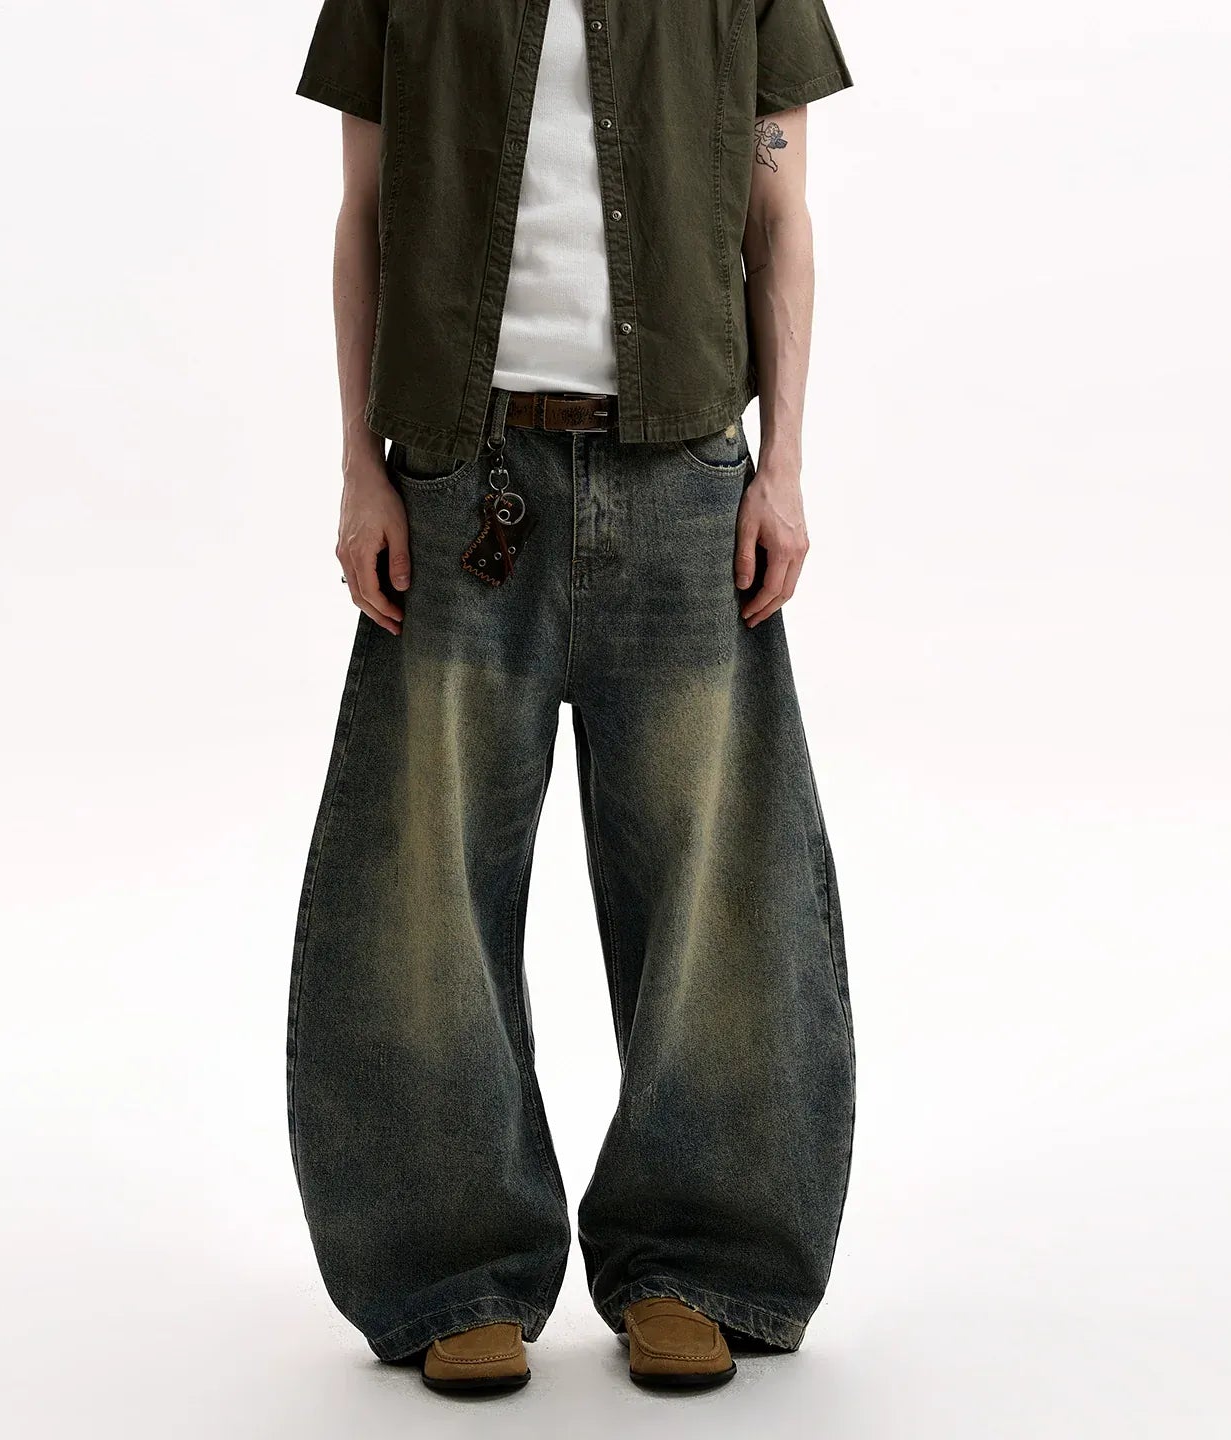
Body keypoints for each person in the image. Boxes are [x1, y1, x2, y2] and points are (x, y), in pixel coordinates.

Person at [286, 0, 855, 1395]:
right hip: (457, 475)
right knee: (423, 887)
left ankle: (697, 1263)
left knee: (716, 889)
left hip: (683, 479)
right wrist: (360, 468)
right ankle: (452, 1269)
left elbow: (779, 211)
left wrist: (783, 466)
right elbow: (361, 215)